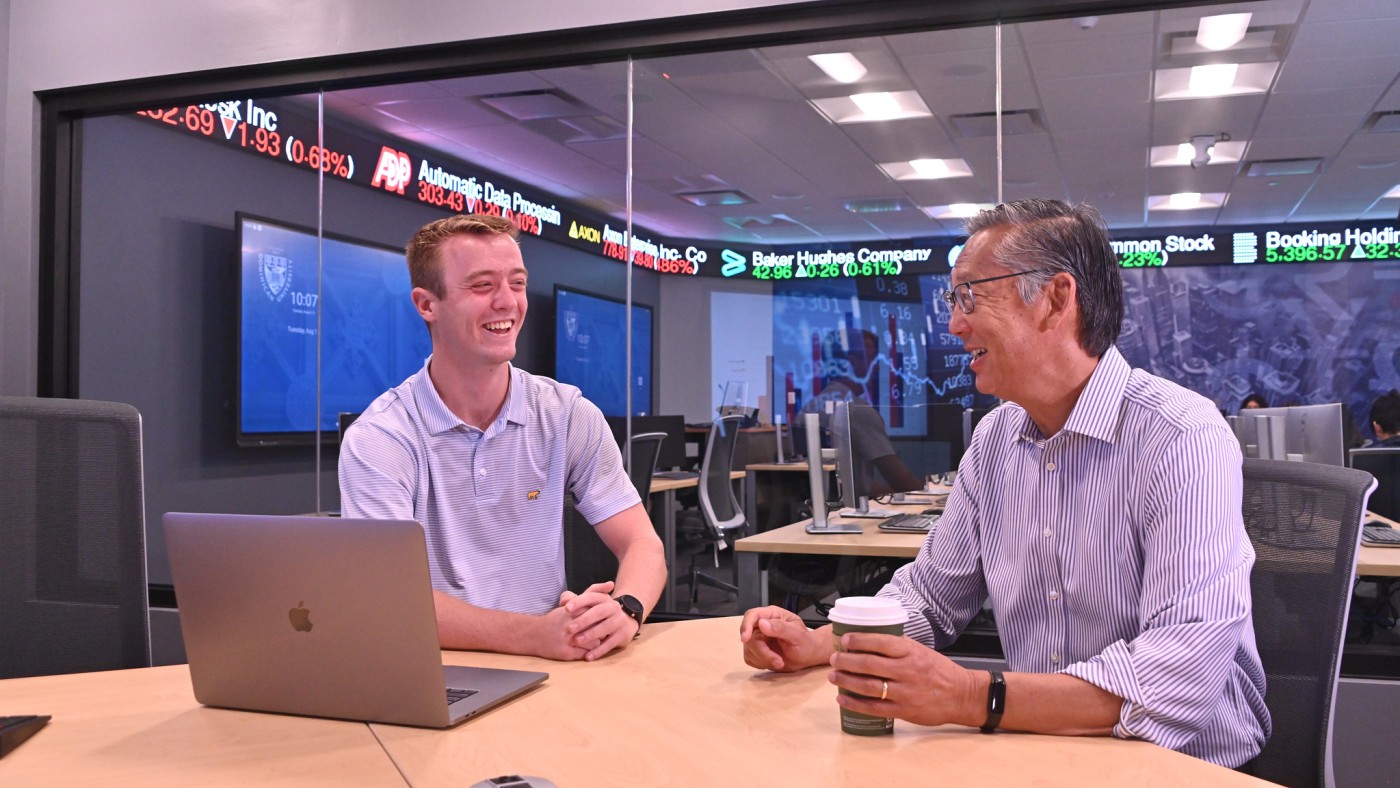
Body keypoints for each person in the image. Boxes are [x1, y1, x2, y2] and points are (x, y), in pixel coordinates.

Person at [739, 199, 1269, 768]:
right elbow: (930, 598)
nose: (953, 323)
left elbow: (1181, 674)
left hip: (1184, 764)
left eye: (969, 295)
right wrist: (824, 643)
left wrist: (970, 696)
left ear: (1056, 299)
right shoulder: (995, 441)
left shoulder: (1179, 435)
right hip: (1042, 746)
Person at [340, 213, 666, 662]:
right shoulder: (382, 439)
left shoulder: (567, 414)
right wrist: (536, 636)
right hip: (438, 672)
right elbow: (390, 598)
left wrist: (626, 610)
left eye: (517, 283)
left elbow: (642, 544)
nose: (507, 302)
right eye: (482, 286)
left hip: (554, 669)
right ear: (426, 304)